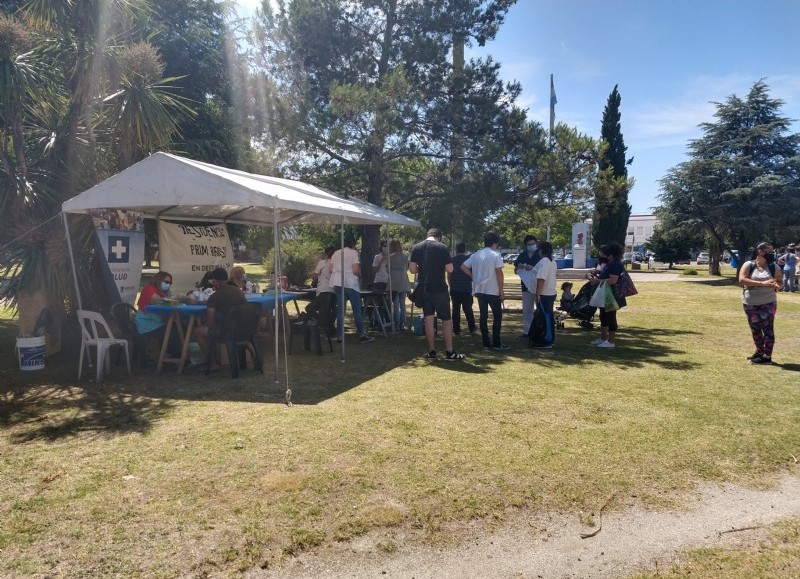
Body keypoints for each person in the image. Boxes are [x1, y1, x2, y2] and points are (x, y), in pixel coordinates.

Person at [409, 227, 465, 361]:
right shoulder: (442, 248)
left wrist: (422, 268)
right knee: (446, 320)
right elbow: (450, 269)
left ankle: (432, 351)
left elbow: (412, 270)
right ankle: (450, 352)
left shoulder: (417, 247)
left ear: (427, 235)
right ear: (439, 237)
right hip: (439, 288)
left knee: (428, 318)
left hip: (424, 288)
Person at [461, 232, 508, 351]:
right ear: (495, 243)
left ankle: (486, 342)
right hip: (492, 289)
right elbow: (499, 273)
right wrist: (501, 291)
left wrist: (473, 276)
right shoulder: (495, 255)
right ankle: (496, 342)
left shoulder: (476, 254)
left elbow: (463, 266)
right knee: (497, 316)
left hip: (479, 289)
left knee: (483, 316)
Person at [193, 267, 248, 366]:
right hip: (244, 328)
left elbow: (210, 324)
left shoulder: (214, 297)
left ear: (214, 281)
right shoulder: (239, 291)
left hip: (227, 332)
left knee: (198, 331)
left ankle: (212, 363)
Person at [738, 242, 782, 364]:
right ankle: (760, 352)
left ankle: (767, 357)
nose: (771, 254)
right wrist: (763, 283)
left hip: (768, 302)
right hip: (750, 303)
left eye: (772, 251)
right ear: (759, 251)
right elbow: (741, 280)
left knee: (767, 329)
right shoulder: (749, 265)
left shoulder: (774, 267)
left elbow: (780, 281)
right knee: (755, 329)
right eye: (768, 251)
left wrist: (778, 285)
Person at [330, 236, 374, 343]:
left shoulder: (336, 253)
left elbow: (330, 269)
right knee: (357, 310)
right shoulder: (353, 253)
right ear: (353, 244)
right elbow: (355, 270)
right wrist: (359, 273)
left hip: (338, 282)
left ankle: (340, 336)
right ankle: (361, 335)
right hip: (350, 283)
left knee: (341, 311)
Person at [135, 271, 184, 356]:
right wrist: (173, 298)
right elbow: (156, 300)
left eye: (170, 283)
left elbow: (173, 301)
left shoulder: (166, 291)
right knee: (172, 333)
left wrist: (184, 298)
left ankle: (171, 355)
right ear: (158, 280)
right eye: (166, 282)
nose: (168, 284)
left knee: (180, 327)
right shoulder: (149, 288)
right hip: (147, 323)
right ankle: (175, 356)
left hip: (159, 322)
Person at [587, 242, 626, 349]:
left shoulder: (615, 264)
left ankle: (610, 341)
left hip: (612, 295)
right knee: (603, 316)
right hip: (606, 294)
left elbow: (613, 280)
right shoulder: (611, 263)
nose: (604, 256)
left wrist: (597, 281)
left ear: (611, 255)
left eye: (606, 254)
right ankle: (603, 338)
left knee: (610, 317)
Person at [513, 235, 541, 338]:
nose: (531, 246)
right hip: (526, 286)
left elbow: (544, 270)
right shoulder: (522, 255)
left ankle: (539, 330)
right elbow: (516, 270)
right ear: (525, 245)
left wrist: (533, 268)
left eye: (533, 244)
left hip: (538, 286)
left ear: (536, 243)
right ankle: (527, 331)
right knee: (527, 309)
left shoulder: (540, 254)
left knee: (539, 309)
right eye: (529, 244)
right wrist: (518, 267)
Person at [531, 241, 558, 348]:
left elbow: (541, 279)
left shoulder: (544, 261)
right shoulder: (552, 262)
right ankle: (549, 338)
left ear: (542, 250)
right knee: (548, 317)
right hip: (550, 293)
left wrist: (538, 294)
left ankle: (546, 340)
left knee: (544, 318)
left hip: (545, 294)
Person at [448, 241, 476, 336]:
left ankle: (456, 329)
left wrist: (450, 284)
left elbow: (449, 274)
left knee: (456, 309)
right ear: (465, 249)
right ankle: (472, 328)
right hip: (467, 288)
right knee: (468, 309)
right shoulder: (469, 259)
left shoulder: (452, 260)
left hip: (455, 288)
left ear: (456, 250)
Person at [307, 247, 337, 337]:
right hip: (333, 290)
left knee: (310, 308)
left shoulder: (323, 262)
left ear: (326, 254)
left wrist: (310, 273)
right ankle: (330, 329)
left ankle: (321, 326)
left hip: (323, 290)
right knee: (329, 311)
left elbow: (314, 275)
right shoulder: (336, 263)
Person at [387, 239, 409, 331]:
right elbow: (406, 268)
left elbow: (387, 269)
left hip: (393, 283)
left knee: (395, 304)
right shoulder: (405, 256)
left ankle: (396, 322)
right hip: (403, 282)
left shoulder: (389, 257)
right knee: (402, 304)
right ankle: (402, 323)